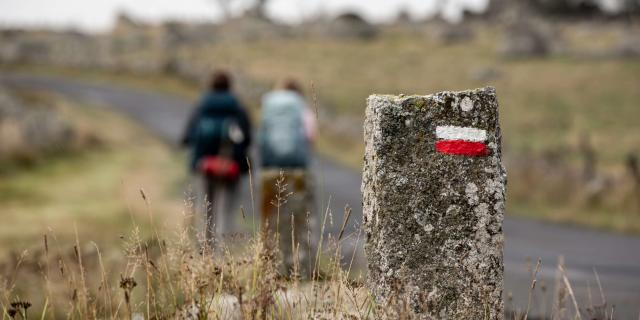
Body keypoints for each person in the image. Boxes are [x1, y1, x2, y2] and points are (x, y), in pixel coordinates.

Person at [182, 70, 252, 248]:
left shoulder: (201, 106)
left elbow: (187, 137)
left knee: (206, 211)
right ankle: (221, 256)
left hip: (205, 167)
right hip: (231, 168)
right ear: (229, 86)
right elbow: (248, 138)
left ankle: (204, 255)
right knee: (226, 212)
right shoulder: (237, 108)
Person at [259, 78, 317, 278]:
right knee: (302, 221)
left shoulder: (269, 104)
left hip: (271, 168)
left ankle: (273, 269)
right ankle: (302, 270)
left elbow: (263, 132)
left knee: (272, 221)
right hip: (298, 169)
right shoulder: (301, 106)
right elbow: (310, 134)